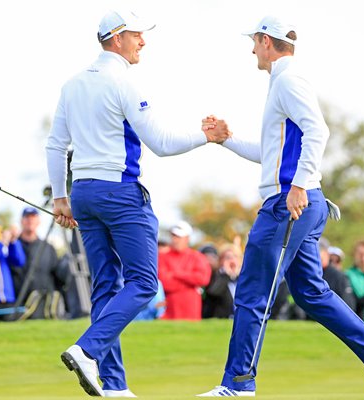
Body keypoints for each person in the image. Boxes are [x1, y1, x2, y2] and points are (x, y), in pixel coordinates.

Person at [197, 16, 364, 396]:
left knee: (252, 291)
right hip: (305, 204)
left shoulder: (288, 80)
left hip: (287, 205)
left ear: (265, 41)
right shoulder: (282, 82)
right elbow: (271, 154)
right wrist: (226, 140)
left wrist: (296, 186)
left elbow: (318, 131)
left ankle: (238, 383)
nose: (251, 51)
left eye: (254, 43)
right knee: (311, 292)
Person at [45, 10, 231, 398]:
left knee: (105, 287)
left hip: (82, 192)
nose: (142, 41)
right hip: (119, 192)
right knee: (145, 282)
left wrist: (60, 198)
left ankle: (113, 386)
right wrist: (206, 136)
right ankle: (87, 350)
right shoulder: (124, 82)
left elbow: (55, 145)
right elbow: (161, 145)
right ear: (116, 39)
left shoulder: (72, 84)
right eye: (136, 35)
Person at [15, 207, 67, 320]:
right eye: (27, 217)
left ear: (38, 222)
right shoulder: (13, 247)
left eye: (33, 218)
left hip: (45, 308)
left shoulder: (48, 248)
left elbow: (57, 278)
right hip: (19, 308)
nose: (30, 221)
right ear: (21, 221)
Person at [158, 221, 211, 320]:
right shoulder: (162, 257)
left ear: (187, 238)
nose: (175, 240)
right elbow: (163, 282)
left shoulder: (197, 257)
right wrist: (190, 284)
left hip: (192, 311)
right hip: (169, 311)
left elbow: (203, 279)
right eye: (173, 236)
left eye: (178, 237)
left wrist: (176, 274)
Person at [202, 244, 242, 319]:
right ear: (221, 260)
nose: (232, 260)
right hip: (219, 318)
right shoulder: (214, 275)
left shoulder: (243, 278)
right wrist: (226, 274)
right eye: (228, 257)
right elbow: (214, 292)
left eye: (235, 257)